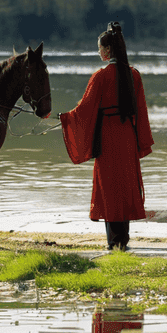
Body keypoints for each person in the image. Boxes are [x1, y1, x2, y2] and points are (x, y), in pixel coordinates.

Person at [59, 22, 154, 251]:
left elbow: (84, 110)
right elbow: (141, 111)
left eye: (99, 48)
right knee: (125, 184)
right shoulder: (134, 75)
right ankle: (124, 239)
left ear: (108, 50)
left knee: (109, 187)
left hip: (108, 136)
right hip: (127, 135)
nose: (98, 52)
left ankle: (114, 241)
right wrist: (141, 141)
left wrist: (65, 119)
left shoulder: (100, 77)